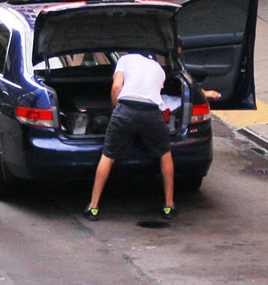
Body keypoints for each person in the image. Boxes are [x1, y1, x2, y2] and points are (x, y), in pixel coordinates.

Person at [84, 51, 219, 221]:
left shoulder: (125, 59)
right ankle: (169, 205)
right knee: (164, 153)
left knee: (108, 155)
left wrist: (115, 110)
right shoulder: (159, 70)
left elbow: (117, 87)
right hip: (151, 112)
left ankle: (93, 207)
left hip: (126, 108)